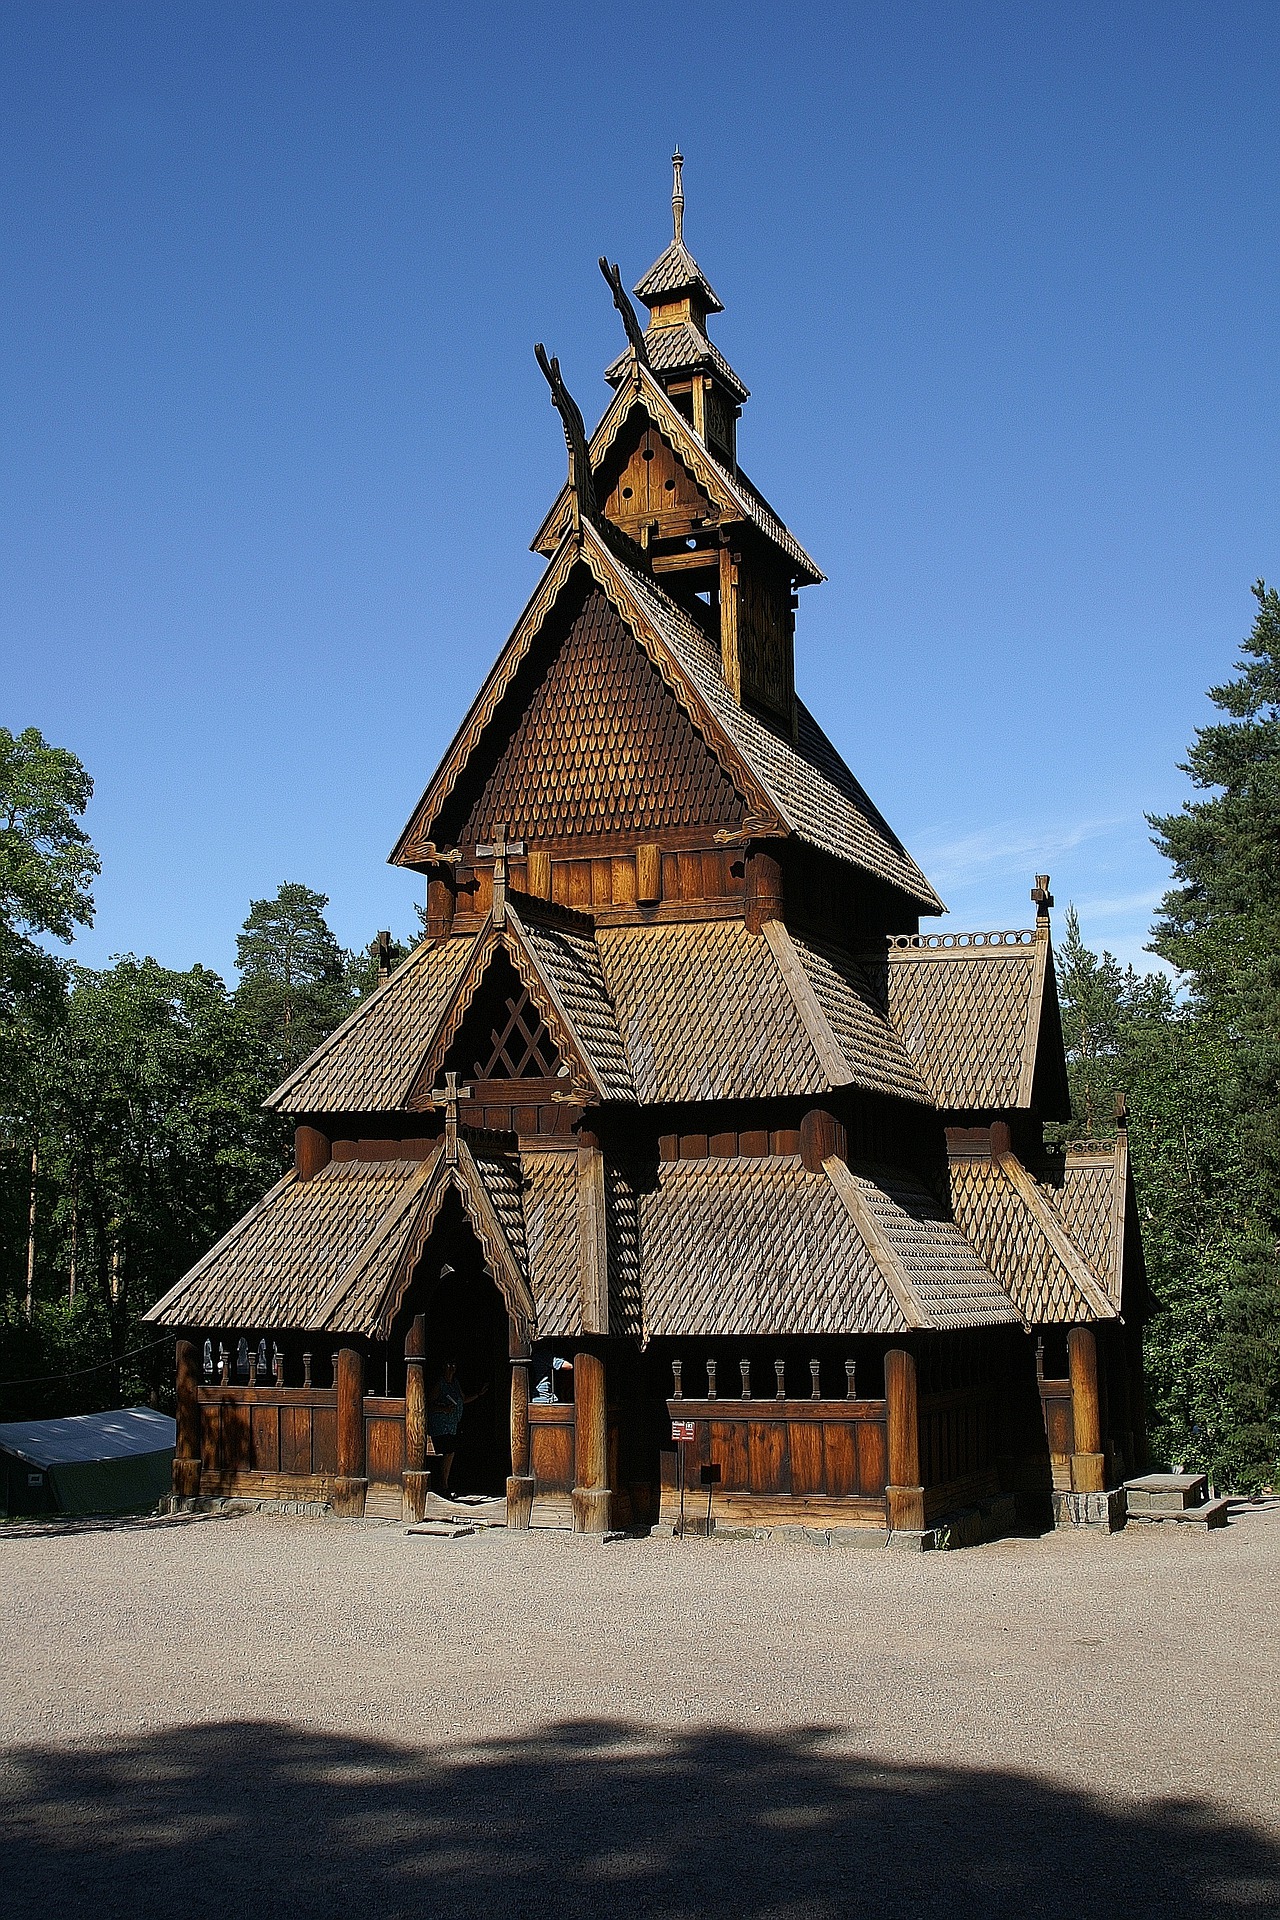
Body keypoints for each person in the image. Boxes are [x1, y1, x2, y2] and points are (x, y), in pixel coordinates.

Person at [427, 1359, 488, 1495]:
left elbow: (462, 1399)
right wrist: (442, 1409)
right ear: (443, 1366)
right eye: (449, 1365)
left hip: (452, 1425)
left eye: (454, 1365)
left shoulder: (455, 1383)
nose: (452, 1368)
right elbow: (428, 1404)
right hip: (440, 1426)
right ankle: (443, 1485)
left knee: (450, 1452)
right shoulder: (440, 1383)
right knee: (448, 1452)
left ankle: (444, 1484)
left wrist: (478, 1395)